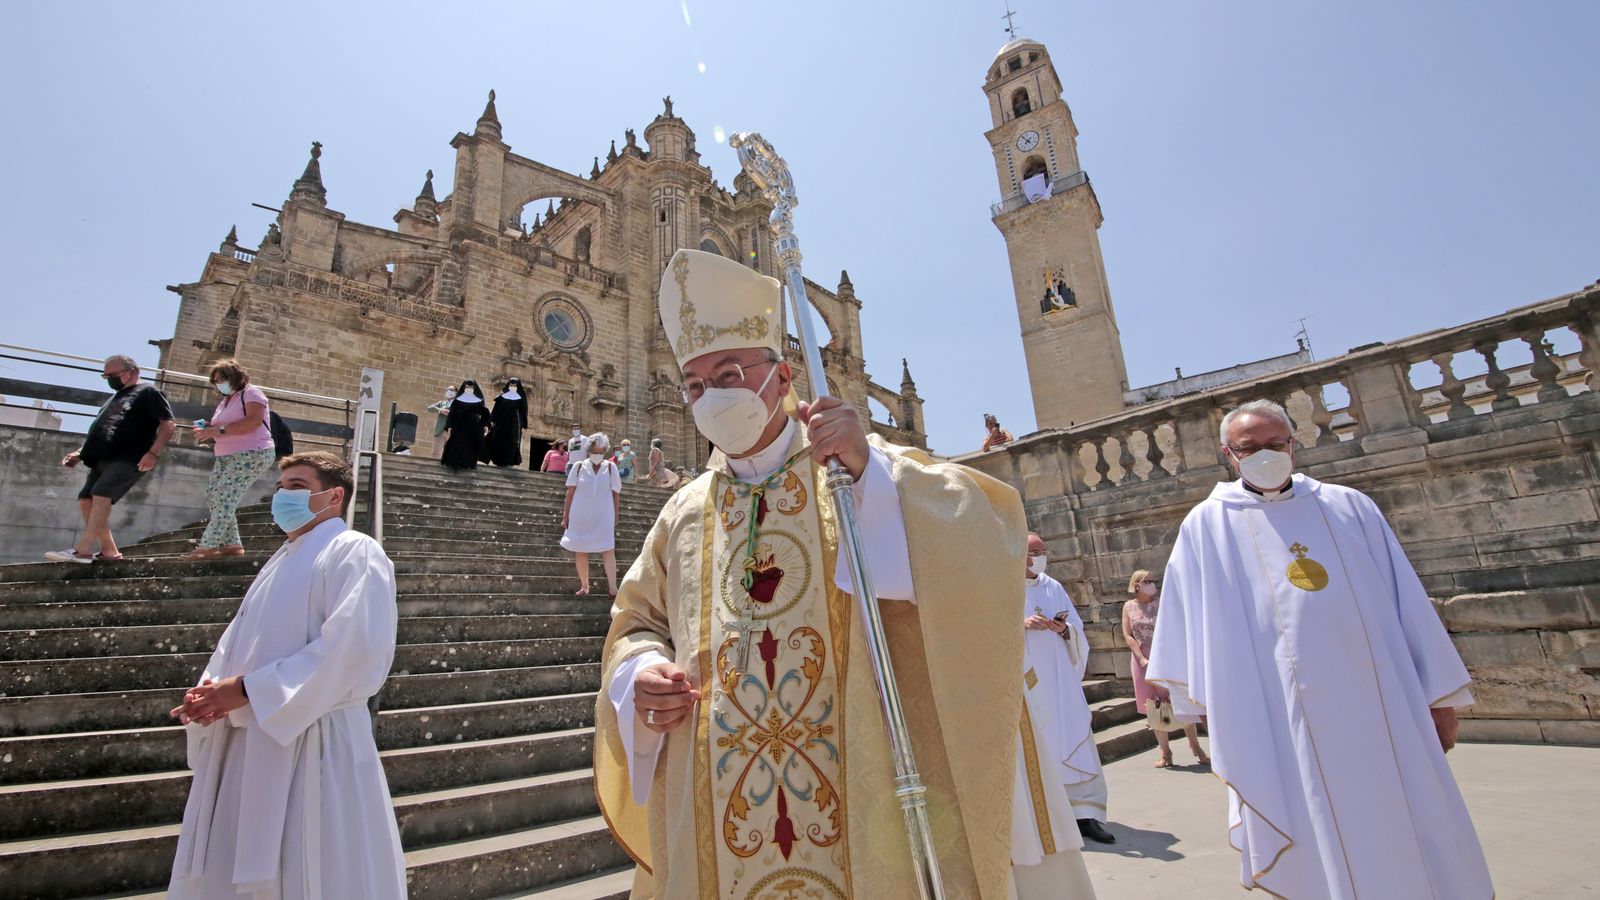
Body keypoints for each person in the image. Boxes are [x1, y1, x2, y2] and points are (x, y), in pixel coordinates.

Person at [593, 249, 1094, 898]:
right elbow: (636, 621)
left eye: (727, 372)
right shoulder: (682, 514)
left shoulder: (855, 469)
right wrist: (639, 674)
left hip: (862, 794)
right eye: (693, 384)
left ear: (785, 375)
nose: (710, 395)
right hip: (719, 809)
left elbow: (982, 530)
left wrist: (874, 478)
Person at [1147, 399, 1491, 898]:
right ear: (1228, 453)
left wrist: (1439, 698)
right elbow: (1191, 629)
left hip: (1386, 710)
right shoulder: (1206, 526)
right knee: (1317, 831)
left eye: (1275, 444)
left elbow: (1408, 605)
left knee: (1412, 825)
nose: (1265, 454)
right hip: (1285, 725)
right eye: (1249, 448)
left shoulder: (1349, 507)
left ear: (1293, 442)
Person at [166, 451, 406, 898]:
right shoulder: (281, 558)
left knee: (310, 863)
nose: (282, 496)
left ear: (334, 496)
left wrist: (245, 690)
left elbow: (355, 646)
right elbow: (238, 641)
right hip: (248, 733)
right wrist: (211, 690)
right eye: (280, 487)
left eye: (295, 486)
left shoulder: (354, 550)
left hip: (315, 738)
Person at [1023, 534, 1113, 844]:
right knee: (1044, 746)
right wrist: (1021, 623)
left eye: (1042, 551)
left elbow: (1077, 629)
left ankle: (1088, 816)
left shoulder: (1053, 586)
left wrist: (1065, 630)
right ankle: (1055, 818)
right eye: (1034, 552)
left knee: (1075, 736)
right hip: (1032, 682)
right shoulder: (1006, 587)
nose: (1040, 557)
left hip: (1061, 678)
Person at [47, 355, 175, 564]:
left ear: (132, 372)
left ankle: (83, 550)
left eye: (113, 375)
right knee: (86, 500)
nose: (109, 379)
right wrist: (81, 453)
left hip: (130, 455)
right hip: (102, 457)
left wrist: (153, 453)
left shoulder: (148, 392)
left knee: (101, 495)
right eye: (105, 375)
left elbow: (168, 423)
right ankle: (109, 551)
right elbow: (106, 428)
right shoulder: (115, 397)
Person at [183, 360, 278, 560]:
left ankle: (208, 545)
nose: (218, 384)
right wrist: (208, 427)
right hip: (226, 455)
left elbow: (253, 421)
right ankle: (233, 544)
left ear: (234, 377)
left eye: (221, 379)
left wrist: (215, 430)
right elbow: (226, 425)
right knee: (213, 495)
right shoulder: (226, 401)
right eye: (215, 381)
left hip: (252, 452)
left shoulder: (252, 393)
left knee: (224, 496)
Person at [1122, 568, 1207, 768]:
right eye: (1147, 581)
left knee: (1179, 698)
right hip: (1142, 658)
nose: (1153, 584)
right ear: (1137, 585)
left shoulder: (1162, 604)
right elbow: (1127, 635)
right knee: (1154, 704)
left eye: (1154, 580)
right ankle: (1165, 751)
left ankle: (1196, 746)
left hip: (1166, 655)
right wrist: (1141, 657)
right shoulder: (1128, 606)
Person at [561, 432, 622, 597]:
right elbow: (570, 492)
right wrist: (565, 516)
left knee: (608, 550)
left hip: (604, 514)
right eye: (595, 451)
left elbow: (616, 493)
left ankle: (613, 588)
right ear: (589, 451)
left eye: (601, 452)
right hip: (580, 514)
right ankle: (585, 586)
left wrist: (616, 515)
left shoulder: (610, 467)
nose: (598, 455)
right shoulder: (579, 466)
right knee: (581, 551)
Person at [439, 379, 490, 470]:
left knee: (469, 446)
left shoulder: (478, 401)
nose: (468, 389)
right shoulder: (458, 400)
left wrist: (484, 425)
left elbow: (485, 414)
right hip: (459, 427)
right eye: (467, 387)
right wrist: (449, 425)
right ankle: (455, 463)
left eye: (471, 387)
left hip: (473, 428)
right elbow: (452, 414)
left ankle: (467, 463)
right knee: (456, 445)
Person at [487, 378, 529, 467]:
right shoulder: (502, 396)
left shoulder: (520, 398)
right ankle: (498, 460)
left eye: (515, 385)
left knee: (511, 443)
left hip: (513, 425)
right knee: (498, 441)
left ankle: (509, 461)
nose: (512, 387)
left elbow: (523, 412)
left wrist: (524, 425)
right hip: (501, 424)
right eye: (511, 385)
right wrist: (491, 421)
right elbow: (496, 409)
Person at [426, 386, 456, 458]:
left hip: (452, 430)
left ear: (456, 393)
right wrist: (441, 410)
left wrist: (452, 413)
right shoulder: (442, 403)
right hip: (440, 430)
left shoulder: (458, 404)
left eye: (451, 390)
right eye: (447, 390)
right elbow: (429, 408)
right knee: (436, 452)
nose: (449, 391)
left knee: (451, 452)